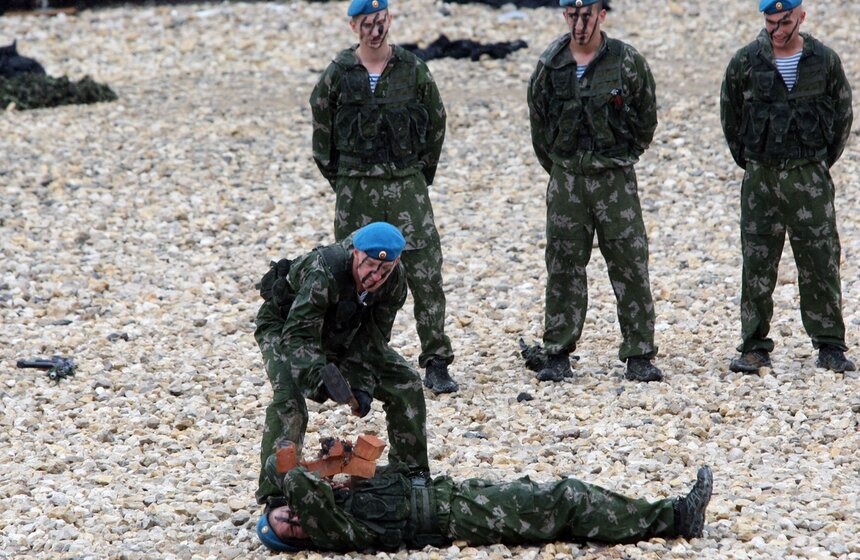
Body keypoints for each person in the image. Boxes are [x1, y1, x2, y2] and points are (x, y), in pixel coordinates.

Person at [309, 0, 459, 394]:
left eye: (381, 22)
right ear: (353, 26)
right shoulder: (338, 75)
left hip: (406, 184)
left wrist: (417, 174)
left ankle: (436, 360)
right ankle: (355, 361)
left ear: (389, 21)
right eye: (367, 24)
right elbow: (322, 136)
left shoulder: (413, 69)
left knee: (425, 270)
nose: (375, 31)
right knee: (354, 275)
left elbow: (436, 124)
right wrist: (344, 181)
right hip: (356, 188)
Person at [527, 0, 663, 383]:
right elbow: (539, 123)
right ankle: (557, 352)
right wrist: (560, 167)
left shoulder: (625, 61)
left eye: (587, 13)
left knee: (629, 263)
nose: (579, 21)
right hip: (568, 179)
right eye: (572, 13)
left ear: (602, 15)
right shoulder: (550, 64)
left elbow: (645, 116)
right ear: (564, 15)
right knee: (564, 265)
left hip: (615, 179)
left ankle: (639, 353)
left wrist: (622, 157)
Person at [720, 0, 855, 374]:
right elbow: (730, 118)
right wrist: (752, 162)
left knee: (820, 261)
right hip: (761, 177)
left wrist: (814, 164)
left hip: (808, 176)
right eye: (770, 23)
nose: (777, 31)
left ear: (801, 17)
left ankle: (829, 345)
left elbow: (842, 117)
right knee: (758, 263)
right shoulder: (745, 62)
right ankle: (753, 346)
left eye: (785, 23)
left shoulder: (824, 62)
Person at [253, 222, 429, 507]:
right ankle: (277, 492)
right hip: (285, 326)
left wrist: (361, 385)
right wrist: (317, 381)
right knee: (290, 401)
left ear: (396, 263)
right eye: (369, 265)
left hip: (344, 330)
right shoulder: (325, 271)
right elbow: (299, 335)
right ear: (356, 253)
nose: (374, 276)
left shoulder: (395, 283)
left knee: (405, 381)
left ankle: (411, 475)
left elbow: (373, 339)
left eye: (384, 270)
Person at [255, 458, 713, 552]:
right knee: (565, 498)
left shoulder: (340, 501)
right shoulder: (334, 531)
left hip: (459, 495)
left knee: (553, 505)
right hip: (461, 516)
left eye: (285, 515)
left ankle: (659, 517)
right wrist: (314, 470)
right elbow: (294, 478)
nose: (296, 519)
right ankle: (674, 517)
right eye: (291, 527)